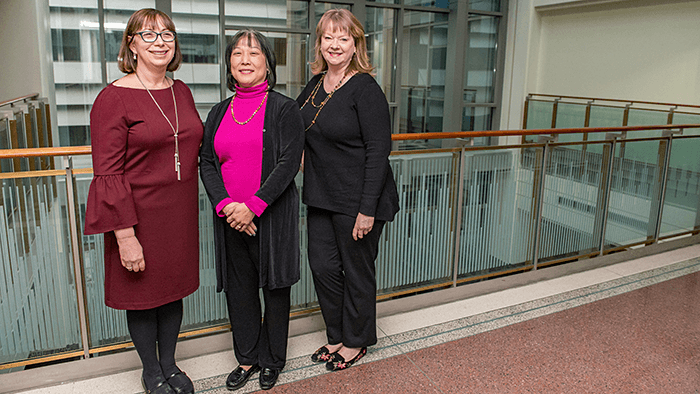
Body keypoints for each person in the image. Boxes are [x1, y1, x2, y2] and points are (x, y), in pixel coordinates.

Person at [84, 8, 202, 394]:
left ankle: (169, 364)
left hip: (179, 214)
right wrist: (125, 236)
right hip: (137, 217)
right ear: (131, 44)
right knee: (142, 295)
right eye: (149, 35)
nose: (160, 42)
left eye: (167, 34)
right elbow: (108, 173)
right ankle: (151, 372)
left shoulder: (181, 90)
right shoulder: (112, 99)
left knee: (171, 291)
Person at [199, 29, 304, 391]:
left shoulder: (284, 108)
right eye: (238, 54)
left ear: (267, 64)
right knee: (239, 292)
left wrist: (254, 207)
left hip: (270, 218)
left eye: (254, 53)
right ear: (229, 64)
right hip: (230, 219)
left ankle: (272, 360)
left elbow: (289, 162)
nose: (245, 60)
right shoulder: (218, 112)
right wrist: (227, 206)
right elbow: (207, 163)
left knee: (275, 291)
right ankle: (247, 357)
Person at [297, 9, 400, 372]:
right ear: (320, 44)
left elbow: (379, 149)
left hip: (360, 199)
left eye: (343, 38)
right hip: (322, 196)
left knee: (357, 271)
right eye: (328, 38)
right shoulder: (314, 85)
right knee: (322, 267)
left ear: (356, 44)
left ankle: (355, 342)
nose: (335, 45)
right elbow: (294, 128)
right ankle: (336, 334)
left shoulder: (365, 88)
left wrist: (367, 208)